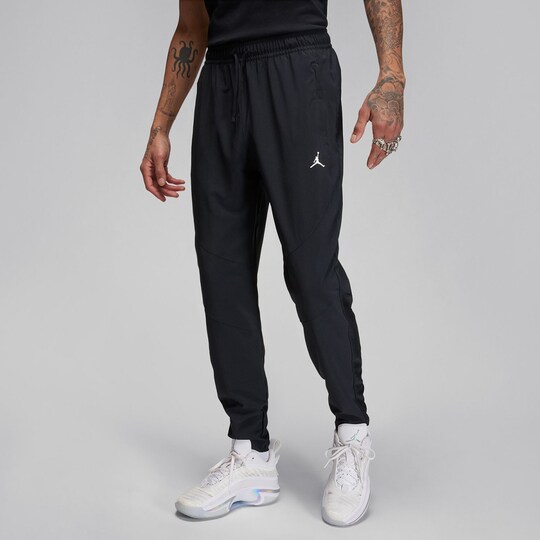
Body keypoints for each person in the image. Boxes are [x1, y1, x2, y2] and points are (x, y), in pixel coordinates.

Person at [139, 0, 404, 526]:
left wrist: (391, 77)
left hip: (298, 72)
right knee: (222, 270)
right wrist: (160, 125)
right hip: (222, 85)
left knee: (310, 268)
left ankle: (352, 433)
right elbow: (192, 26)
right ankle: (250, 453)